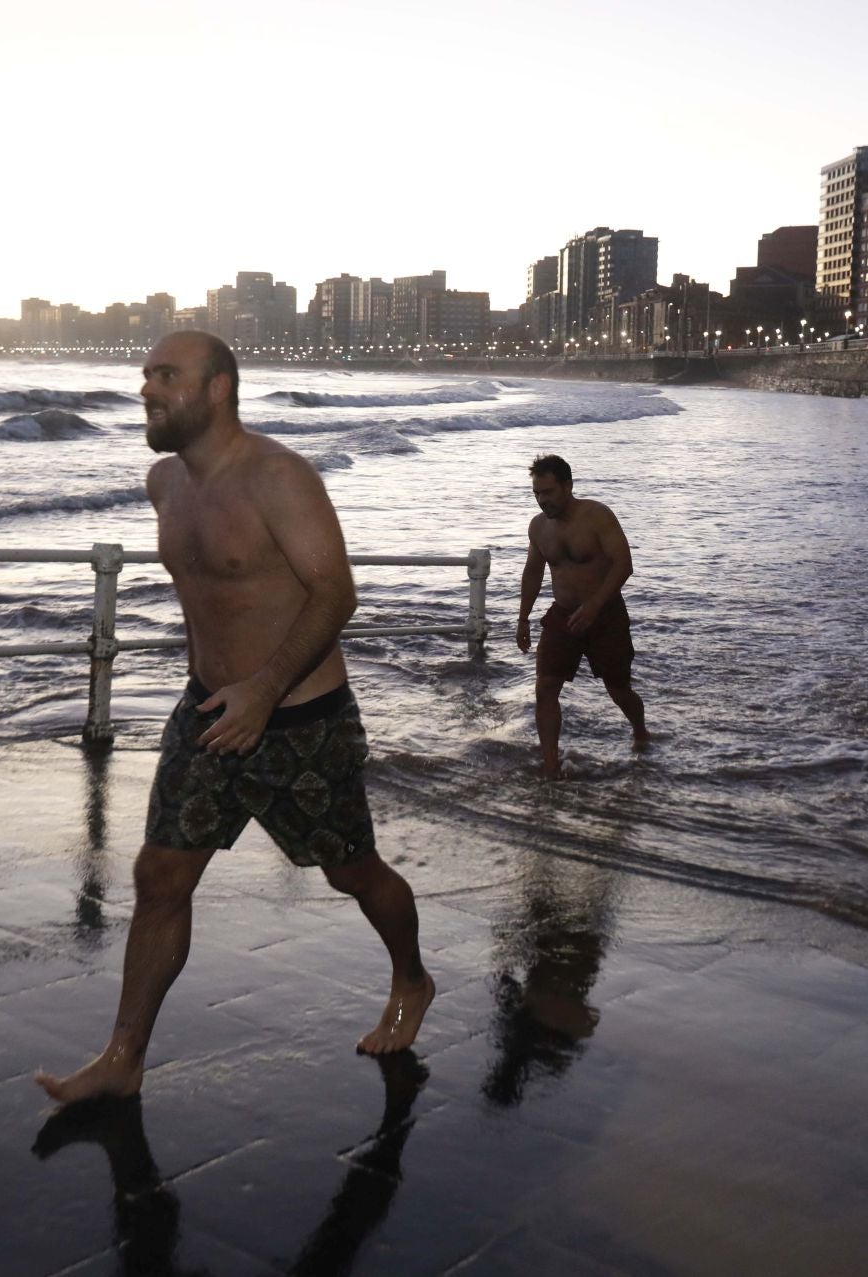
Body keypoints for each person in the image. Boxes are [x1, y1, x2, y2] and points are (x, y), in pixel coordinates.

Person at [38, 332, 434, 1104]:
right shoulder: (165, 483)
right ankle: (124, 1056)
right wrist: (220, 688)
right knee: (160, 877)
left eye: (165, 374)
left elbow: (335, 593)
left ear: (218, 387)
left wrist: (263, 689)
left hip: (302, 718)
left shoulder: (278, 476)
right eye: (146, 373)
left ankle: (413, 978)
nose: (146, 387)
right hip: (208, 716)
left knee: (352, 872)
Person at [515, 454, 649, 780]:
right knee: (545, 687)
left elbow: (623, 565)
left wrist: (594, 606)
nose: (542, 500)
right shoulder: (538, 527)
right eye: (537, 493)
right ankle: (551, 767)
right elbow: (533, 572)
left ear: (568, 486)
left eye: (548, 492)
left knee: (618, 689)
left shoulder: (597, 516)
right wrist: (523, 619)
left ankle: (640, 731)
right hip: (563, 615)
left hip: (604, 614)